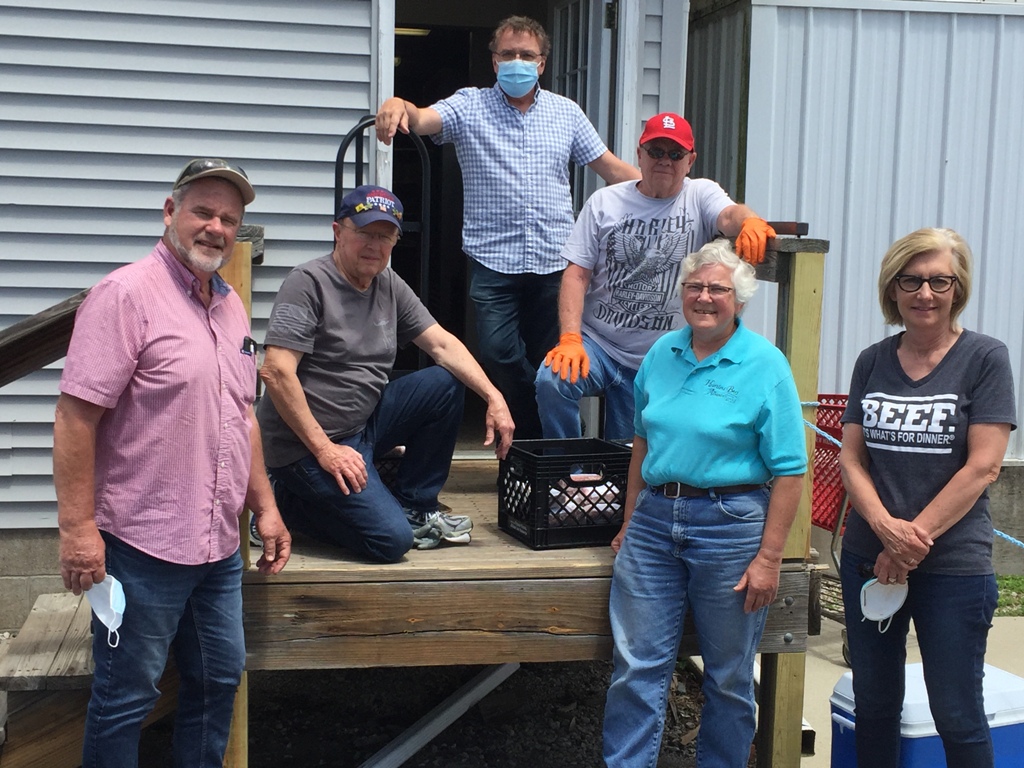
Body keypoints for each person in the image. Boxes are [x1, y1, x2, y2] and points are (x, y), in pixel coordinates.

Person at [54, 158, 292, 768]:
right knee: (125, 698)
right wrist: (78, 531)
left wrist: (265, 508)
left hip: (218, 548)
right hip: (141, 548)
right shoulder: (125, 295)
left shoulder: (231, 307)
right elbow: (75, 418)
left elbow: (243, 418)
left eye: (229, 220)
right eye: (203, 212)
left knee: (218, 682)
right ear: (169, 212)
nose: (216, 228)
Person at [374, 15, 641, 438]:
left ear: (542, 63)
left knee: (549, 360)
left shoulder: (566, 113)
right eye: (508, 53)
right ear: (495, 61)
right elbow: (422, 119)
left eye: (527, 55)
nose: (518, 61)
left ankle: (536, 454)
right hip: (493, 261)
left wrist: (669, 192)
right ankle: (541, 433)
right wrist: (397, 104)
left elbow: (610, 168)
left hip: (555, 261)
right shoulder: (469, 105)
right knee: (498, 355)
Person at [602, 240, 806, 768]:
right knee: (635, 667)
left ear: (739, 300)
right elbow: (641, 442)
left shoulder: (765, 364)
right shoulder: (661, 353)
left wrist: (769, 558)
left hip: (730, 525)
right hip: (653, 522)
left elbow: (790, 470)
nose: (705, 297)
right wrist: (629, 520)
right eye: (695, 286)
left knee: (729, 677)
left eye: (718, 289)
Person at [257, 185, 515, 562]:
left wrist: (494, 396)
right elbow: (277, 372)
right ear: (338, 231)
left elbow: (442, 345)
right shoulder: (308, 282)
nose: (374, 245)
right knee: (391, 541)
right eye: (364, 233)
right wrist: (325, 450)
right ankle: (286, 502)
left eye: (385, 236)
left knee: (444, 383)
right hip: (303, 445)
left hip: (362, 425)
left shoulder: (388, 284)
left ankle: (416, 505)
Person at [838, 228, 1016, 768]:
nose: (925, 293)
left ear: (958, 288)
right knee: (873, 705)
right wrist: (885, 530)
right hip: (868, 557)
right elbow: (851, 459)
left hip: (953, 566)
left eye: (940, 281)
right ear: (892, 288)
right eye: (911, 280)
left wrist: (907, 544)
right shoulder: (872, 360)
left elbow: (983, 466)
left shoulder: (985, 357)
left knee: (957, 714)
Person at [535, 112, 777, 440]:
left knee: (628, 454)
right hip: (599, 345)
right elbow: (576, 275)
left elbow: (729, 214)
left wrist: (750, 221)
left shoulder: (699, 194)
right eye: (656, 151)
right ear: (640, 154)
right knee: (553, 380)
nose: (665, 160)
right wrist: (570, 339)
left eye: (675, 154)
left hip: (662, 356)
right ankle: (565, 466)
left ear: (690, 161)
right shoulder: (604, 201)